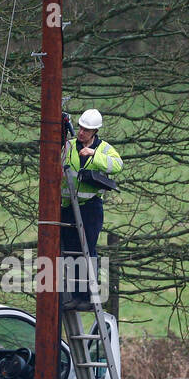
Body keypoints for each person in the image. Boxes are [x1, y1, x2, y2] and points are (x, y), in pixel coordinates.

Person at [61, 108, 122, 309]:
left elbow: (117, 165)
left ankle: (88, 296)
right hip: (69, 205)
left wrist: (94, 154)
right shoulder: (68, 145)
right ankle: (75, 296)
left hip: (90, 207)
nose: (81, 133)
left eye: (86, 130)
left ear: (95, 131)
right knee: (70, 251)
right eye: (80, 128)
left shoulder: (104, 148)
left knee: (88, 249)